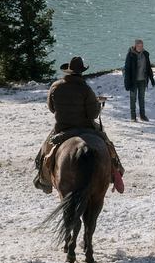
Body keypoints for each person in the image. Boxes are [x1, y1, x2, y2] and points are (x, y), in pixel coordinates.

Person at [36, 56, 105, 191]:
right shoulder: (86, 89)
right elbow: (93, 114)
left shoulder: (55, 87)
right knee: (106, 142)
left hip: (63, 128)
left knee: (46, 148)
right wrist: (97, 104)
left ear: (67, 71)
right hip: (86, 128)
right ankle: (116, 169)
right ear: (81, 72)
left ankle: (43, 180)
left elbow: (51, 108)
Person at [123, 40, 155, 122]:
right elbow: (127, 69)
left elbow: (148, 67)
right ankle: (133, 117)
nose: (141, 48)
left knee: (142, 98)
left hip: (143, 80)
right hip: (133, 81)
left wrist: (151, 79)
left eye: (142, 46)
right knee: (133, 99)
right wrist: (127, 82)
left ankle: (142, 115)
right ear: (135, 46)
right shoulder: (130, 55)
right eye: (139, 46)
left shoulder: (145, 54)